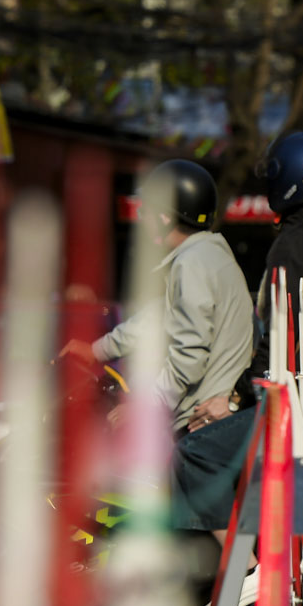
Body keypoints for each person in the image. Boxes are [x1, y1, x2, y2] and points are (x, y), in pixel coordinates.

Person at [60, 159, 254, 439]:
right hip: (207, 423)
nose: (142, 217)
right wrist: (98, 350)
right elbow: (158, 320)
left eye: (147, 210)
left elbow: (189, 356)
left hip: (199, 430)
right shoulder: (209, 257)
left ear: (166, 216)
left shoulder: (192, 265)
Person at [186, 131, 303, 432]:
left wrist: (239, 395)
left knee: (194, 456)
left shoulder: (294, 241)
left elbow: (280, 329)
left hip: (300, 399)